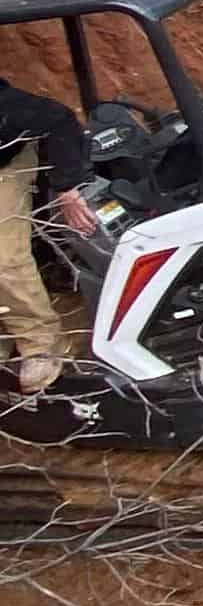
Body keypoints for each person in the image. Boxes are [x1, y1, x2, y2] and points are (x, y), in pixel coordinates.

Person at [0, 78, 99, 398]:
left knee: (4, 258)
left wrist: (67, 188)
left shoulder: (9, 108)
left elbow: (59, 118)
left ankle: (42, 345)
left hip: (7, 159)